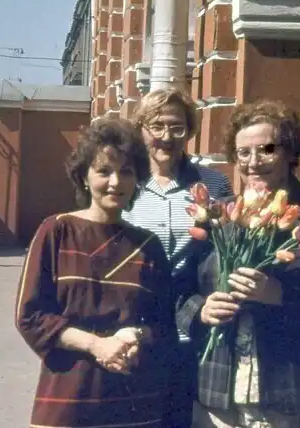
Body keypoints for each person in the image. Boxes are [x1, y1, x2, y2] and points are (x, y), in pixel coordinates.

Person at [192, 100, 300, 428]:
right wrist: (201, 310)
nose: (253, 162)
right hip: (220, 395)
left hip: (296, 393)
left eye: (266, 149)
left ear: (290, 152)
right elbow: (181, 289)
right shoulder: (221, 216)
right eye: (243, 153)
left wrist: (281, 296)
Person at [14, 118, 178, 428]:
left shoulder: (148, 245)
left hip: (134, 403)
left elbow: (166, 326)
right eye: (104, 171)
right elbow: (30, 316)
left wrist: (136, 334)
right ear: (84, 177)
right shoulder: (56, 231)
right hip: (68, 399)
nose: (115, 182)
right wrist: (95, 345)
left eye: (126, 172)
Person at [124, 87, 233, 428]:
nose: (166, 136)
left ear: (189, 131)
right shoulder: (125, 181)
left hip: (193, 328)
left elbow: (226, 248)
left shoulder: (212, 184)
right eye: (156, 126)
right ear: (141, 129)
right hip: (135, 324)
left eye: (177, 127)